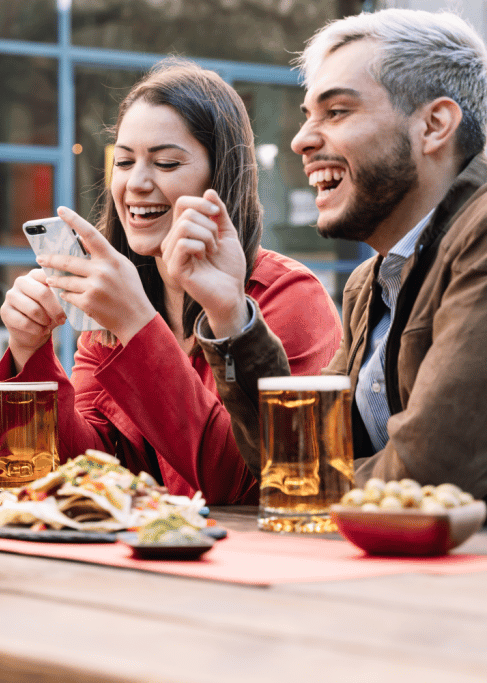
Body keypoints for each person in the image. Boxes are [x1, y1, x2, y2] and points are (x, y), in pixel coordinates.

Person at [163, 9, 487, 499]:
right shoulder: (369, 285)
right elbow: (291, 454)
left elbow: (428, 474)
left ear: (434, 125)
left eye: (336, 112)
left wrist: (305, 483)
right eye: (307, 116)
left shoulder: (480, 236)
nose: (301, 140)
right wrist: (229, 313)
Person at [0, 59, 342, 504]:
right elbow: (90, 476)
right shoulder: (117, 306)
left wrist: (137, 325)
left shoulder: (288, 298)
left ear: (219, 178)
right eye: (123, 162)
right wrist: (31, 357)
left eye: (164, 162)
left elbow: (237, 486)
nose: (136, 183)